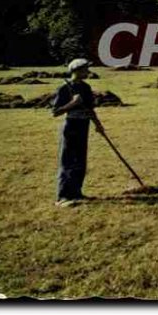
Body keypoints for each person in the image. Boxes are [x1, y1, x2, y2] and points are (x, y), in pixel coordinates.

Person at [52, 58, 104, 207]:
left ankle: (76, 193)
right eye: (85, 69)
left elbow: (90, 109)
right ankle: (62, 197)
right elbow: (55, 112)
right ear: (76, 70)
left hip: (84, 125)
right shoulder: (64, 88)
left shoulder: (86, 87)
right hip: (70, 126)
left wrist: (98, 125)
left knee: (80, 160)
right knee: (67, 161)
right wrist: (72, 103)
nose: (88, 72)